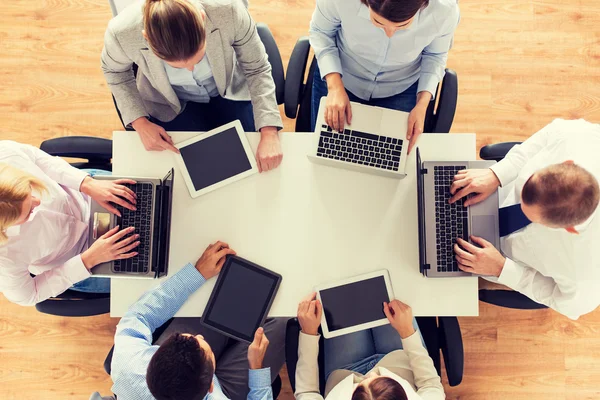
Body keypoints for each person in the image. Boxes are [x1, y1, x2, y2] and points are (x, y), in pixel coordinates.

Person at [101, 0, 283, 173]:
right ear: (146, 37)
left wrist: (269, 131)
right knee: (184, 172)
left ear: (202, 19)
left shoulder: (228, 10)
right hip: (169, 103)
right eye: (175, 65)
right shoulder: (122, 33)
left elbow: (257, 68)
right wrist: (140, 123)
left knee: (248, 161)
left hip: (229, 91)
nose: (190, 68)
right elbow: (115, 72)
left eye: (198, 57)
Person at [449, 118, 600, 319]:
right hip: (491, 193)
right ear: (567, 163)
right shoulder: (580, 138)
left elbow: (565, 302)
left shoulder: (588, 274)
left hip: (497, 257)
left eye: (533, 217)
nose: (520, 206)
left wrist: (501, 269)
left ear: (570, 228)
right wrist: (497, 174)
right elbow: (550, 134)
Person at [111, 240, 286, 400]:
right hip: (225, 392)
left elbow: (139, 315)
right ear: (210, 387)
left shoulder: (129, 365)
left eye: (191, 338)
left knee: (223, 294)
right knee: (284, 321)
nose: (200, 336)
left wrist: (197, 273)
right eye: (201, 343)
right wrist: (256, 368)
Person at [309, 0, 460, 153]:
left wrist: (422, 105)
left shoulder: (444, 10)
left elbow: (435, 55)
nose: (389, 33)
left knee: (391, 158)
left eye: (402, 25)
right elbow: (321, 33)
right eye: (377, 22)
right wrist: (334, 87)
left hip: (402, 85)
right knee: (327, 150)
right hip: (342, 75)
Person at [0, 140, 139, 306]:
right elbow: (29, 295)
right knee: (158, 279)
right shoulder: (3, 259)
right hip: (84, 258)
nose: (37, 202)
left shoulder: (5, 154)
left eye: (31, 192)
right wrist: (89, 260)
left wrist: (87, 184)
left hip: (87, 193)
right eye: (28, 212)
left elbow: (37, 158)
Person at [294, 293, 444, 399]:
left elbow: (307, 392)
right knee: (387, 292)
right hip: (397, 358)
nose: (373, 373)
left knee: (341, 294)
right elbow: (430, 385)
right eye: (379, 378)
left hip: (346, 370)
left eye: (359, 385)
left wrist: (309, 332)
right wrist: (406, 331)